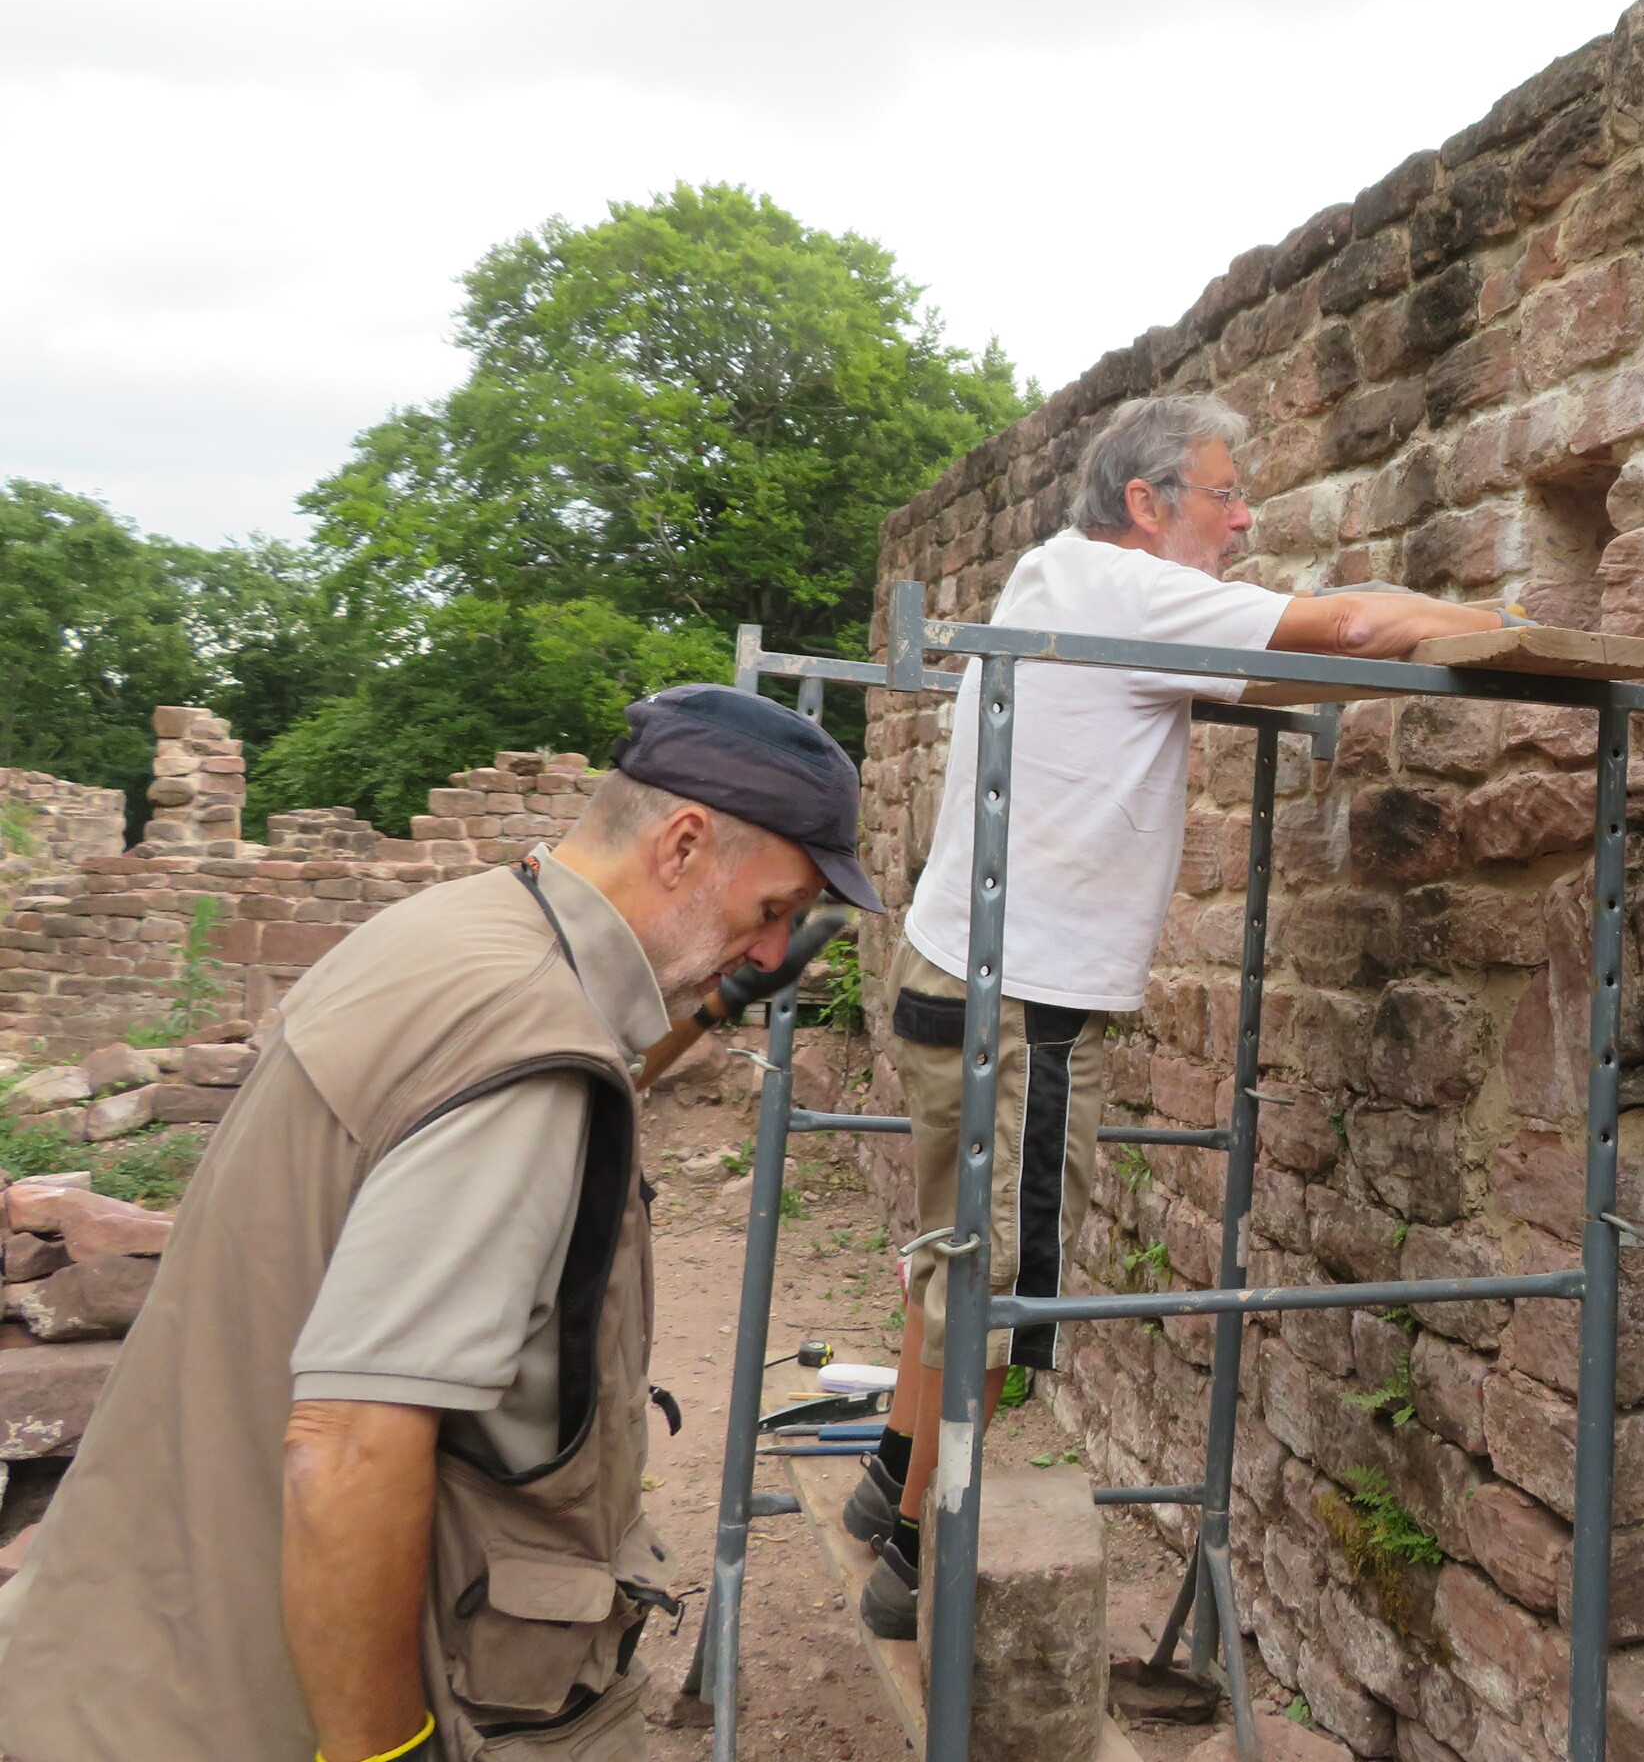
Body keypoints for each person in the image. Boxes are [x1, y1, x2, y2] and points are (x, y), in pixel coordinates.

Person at [0, 684, 880, 1762]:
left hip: (137, 1644)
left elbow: (578, 1061)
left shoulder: (460, 935)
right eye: (774, 908)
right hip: (264, 1707)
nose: (776, 947)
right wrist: (383, 1751)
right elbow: (348, 1444)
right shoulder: (523, 1049)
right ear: (685, 845)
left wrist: (717, 999)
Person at [846, 393, 1501, 1636]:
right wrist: (1505, 625)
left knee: (953, 1255)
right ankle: (918, 1562)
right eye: (1226, 493)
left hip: (961, 980)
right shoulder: (1128, 592)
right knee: (993, 1293)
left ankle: (888, 1482)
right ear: (1146, 505)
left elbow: (1271, 660)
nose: (1245, 519)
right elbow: (1357, 624)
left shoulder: (1058, 574)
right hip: (1023, 1010)